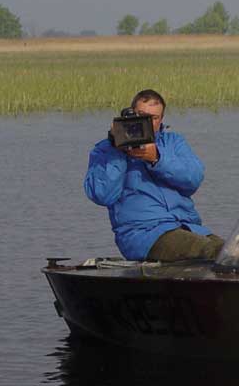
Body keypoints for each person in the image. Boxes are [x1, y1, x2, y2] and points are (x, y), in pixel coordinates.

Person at [84, 89, 224, 262]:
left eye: (154, 118)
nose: (148, 123)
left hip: (187, 227)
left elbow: (194, 179)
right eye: (142, 116)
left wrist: (157, 159)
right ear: (130, 115)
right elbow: (102, 195)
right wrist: (118, 150)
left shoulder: (173, 142)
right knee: (210, 250)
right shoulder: (105, 150)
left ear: (161, 120)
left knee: (232, 250)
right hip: (143, 235)